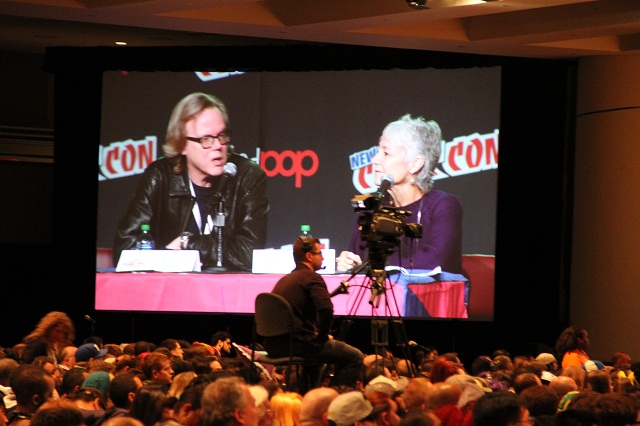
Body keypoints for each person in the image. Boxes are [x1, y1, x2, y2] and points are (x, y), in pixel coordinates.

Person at [113, 92, 269, 271]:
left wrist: (188, 242)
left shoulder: (247, 176)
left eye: (222, 136)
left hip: (225, 292)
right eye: (206, 139)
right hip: (172, 290)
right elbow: (125, 251)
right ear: (182, 145)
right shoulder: (160, 177)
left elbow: (250, 253)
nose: (218, 146)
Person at [337, 115, 462, 274]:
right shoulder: (371, 209)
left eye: (386, 153)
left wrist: (369, 267)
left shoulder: (443, 206)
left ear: (415, 164)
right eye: (378, 151)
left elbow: (433, 264)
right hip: (374, 297)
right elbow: (357, 262)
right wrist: (347, 264)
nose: (375, 160)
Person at [267, 237, 364, 389]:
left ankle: (307, 395)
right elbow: (326, 309)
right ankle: (336, 402)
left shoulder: (284, 280)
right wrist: (323, 337)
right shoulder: (312, 278)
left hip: (275, 346)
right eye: (320, 253)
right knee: (355, 357)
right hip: (299, 345)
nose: (323, 257)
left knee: (315, 358)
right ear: (309, 256)